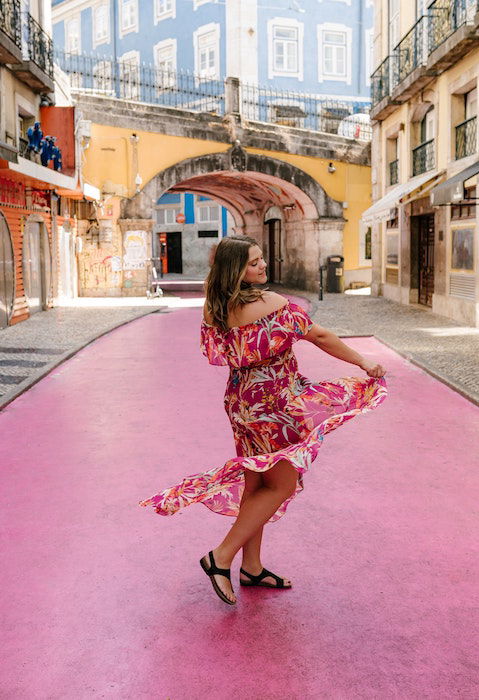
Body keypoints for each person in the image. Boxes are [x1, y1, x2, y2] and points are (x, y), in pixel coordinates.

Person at [140, 235, 387, 605]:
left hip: (241, 403)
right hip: (274, 404)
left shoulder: (214, 308)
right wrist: (364, 362)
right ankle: (220, 557)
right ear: (236, 269)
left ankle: (251, 567)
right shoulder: (271, 304)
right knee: (282, 485)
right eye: (254, 262)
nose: (263, 266)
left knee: (257, 487)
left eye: (261, 260)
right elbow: (318, 335)